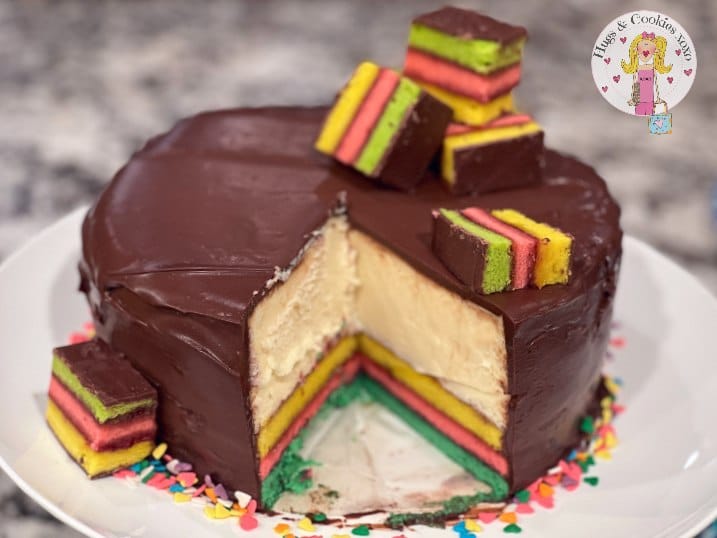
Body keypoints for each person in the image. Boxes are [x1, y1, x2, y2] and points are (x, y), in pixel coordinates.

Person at [621, 32, 672, 115]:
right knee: (639, 115)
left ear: (655, 53)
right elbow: (634, 85)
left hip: (650, 100)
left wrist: (657, 98)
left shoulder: (653, 68)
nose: (645, 55)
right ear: (636, 51)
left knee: (650, 115)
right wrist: (633, 98)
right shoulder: (636, 69)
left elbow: (655, 85)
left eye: (649, 52)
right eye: (642, 52)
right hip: (639, 100)